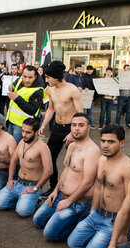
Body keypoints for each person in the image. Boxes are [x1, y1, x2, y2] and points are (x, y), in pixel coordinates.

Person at [67, 125, 130, 248]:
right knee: (72, 244)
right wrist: (92, 212)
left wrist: (123, 232)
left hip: (113, 221)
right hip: (97, 214)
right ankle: (98, 237)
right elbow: (98, 187)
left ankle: (125, 240)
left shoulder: (128, 167)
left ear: (122, 143)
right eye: (103, 141)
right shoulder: (102, 159)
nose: (105, 145)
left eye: (111, 142)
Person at [33, 113, 99, 241]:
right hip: (60, 196)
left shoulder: (92, 150)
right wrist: (55, 191)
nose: (76, 128)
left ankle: (81, 222)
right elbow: (66, 171)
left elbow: (88, 182)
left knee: (50, 234)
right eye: (74, 125)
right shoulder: (72, 145)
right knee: (38, 220)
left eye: (81, 125)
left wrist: (69, 201)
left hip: (78, 202)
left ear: (88, 128)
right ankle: (62, 219)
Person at [38, 61, 83, 194]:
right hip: (57, 128)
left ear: (56, 77)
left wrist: (72, 133)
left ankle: (72, 189)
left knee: (73, 161)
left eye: (48, 77)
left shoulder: (72, 89)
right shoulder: (50, 90)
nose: (46, 80)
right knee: (50, 157)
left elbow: (80, 114)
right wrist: (44, 125)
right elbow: (51, 109)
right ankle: (53, 187)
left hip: (71, 129)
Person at [0, 118, 52, 217]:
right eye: (23, 131)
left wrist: (36, 188)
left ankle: (35, 201)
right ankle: (22, 199)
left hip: (32, 185)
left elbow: (49, 170)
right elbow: (13, 160)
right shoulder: (22, 142)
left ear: (36, 132)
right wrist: (10, 179)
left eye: (28, 132)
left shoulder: (42, 147)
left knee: (22, 212)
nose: (24, 134)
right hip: (17, 182)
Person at [5, 65, 45, 143]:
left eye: (30, 77)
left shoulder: (38, 90)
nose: (26, 80)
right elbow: (15, 83)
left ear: (35, 76)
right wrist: (12, 86)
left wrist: (17, 99)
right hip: (11, 121)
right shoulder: (20, 79)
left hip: (22, 126)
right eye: (25, 76)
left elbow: (32, 110)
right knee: (10, 146)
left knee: (17, 149)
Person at [116, 64, 130, 128]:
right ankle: (117, 123)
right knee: (119, 110)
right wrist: (117, 77)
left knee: (129, 110)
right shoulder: (120, 76)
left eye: (129, 69)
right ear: (124, 69)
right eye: (127, 69)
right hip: (121, 95)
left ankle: (128, 123)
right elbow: (115, 82)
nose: (128, 70)